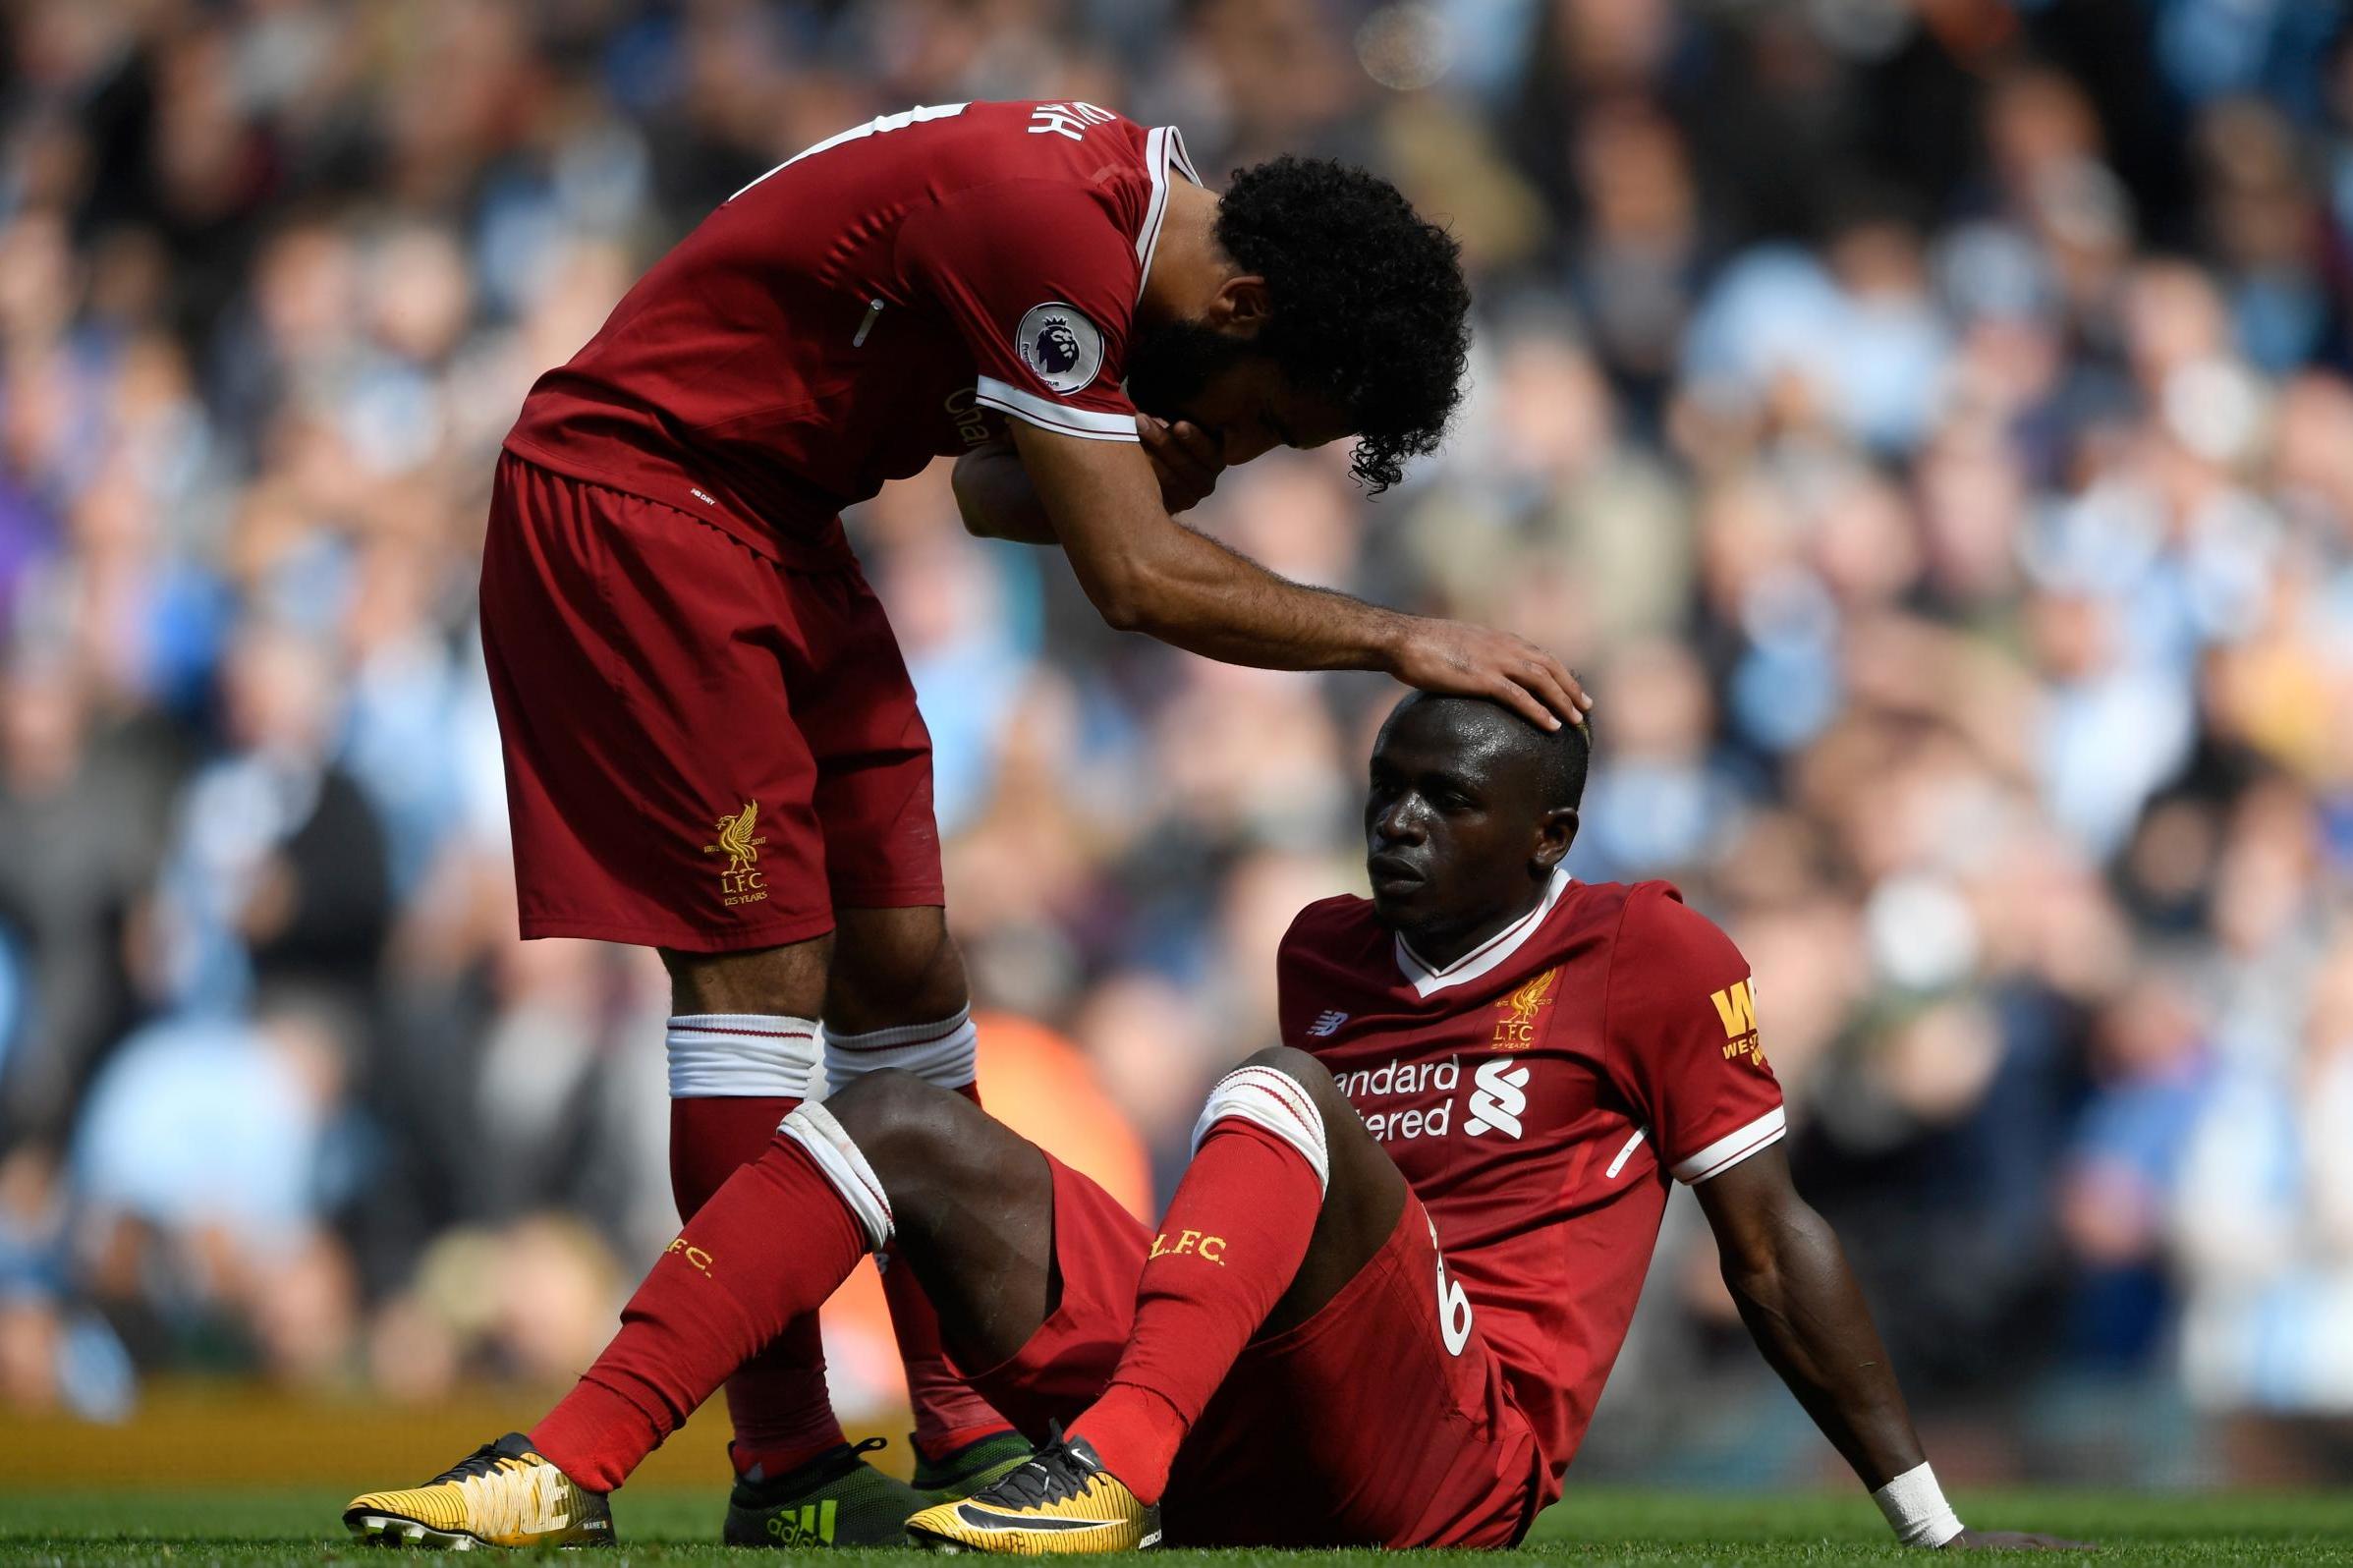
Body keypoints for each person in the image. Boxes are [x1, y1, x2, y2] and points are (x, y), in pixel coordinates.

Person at [476, 96, 1590, 1543]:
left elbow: (995, 492)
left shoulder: (1139, 225)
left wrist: (1133, 467)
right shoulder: (1053, 219)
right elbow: (1133, 580)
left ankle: (961, 1427)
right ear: (1243, 301)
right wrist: (1394, 638)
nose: (1237, 448)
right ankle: (786, 1458)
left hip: (782, 523)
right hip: (642, 501)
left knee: (908, 973)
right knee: (759, 980)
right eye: (1260, 418)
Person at [343, 694, 2080, 1552]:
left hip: (1456, 1455)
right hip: (1259, 1419)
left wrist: (1924, 1519)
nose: (1397, 826)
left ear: (1543, 837)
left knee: (1276, 1096)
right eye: (1385, 788)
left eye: (1446, 801)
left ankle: (1100, 1476)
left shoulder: (1651, 952)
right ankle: (563, 1467)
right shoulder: (1323, 948)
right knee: (896, 1114)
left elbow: (1771, 1243)